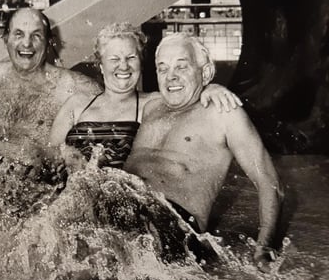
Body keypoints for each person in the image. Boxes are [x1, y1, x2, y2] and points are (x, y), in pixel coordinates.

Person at [123, 32, 284, 265]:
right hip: (123, 210)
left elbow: (271, 184)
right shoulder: (149, 107)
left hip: (171, 226)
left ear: (205, 72)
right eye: (163, 68)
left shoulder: (223, 113)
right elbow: (104, 98)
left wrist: (264, 248)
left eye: (182, 67)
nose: (171, 77)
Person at [49, 22, 241, 170]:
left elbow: (189, 98)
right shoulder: (77, 104)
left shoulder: (156, 102)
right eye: (114, 59)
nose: (123, 66)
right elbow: (49, 156)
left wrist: (210, 88)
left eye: (131, 58)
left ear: (141, 62)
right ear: (101, 66)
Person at [0, 8, 102, 170]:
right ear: (6, 39)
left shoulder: (72, 85)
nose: (27, 43)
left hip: (40, 185)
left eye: (36, 36)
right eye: (19, 34)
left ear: (49, 42)